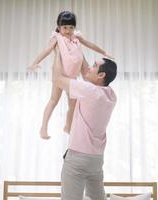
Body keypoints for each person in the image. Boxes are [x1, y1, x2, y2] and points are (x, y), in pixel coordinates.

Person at [27, 11, 113, 139]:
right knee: (53, 100)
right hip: (60, 75)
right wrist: (35, 62)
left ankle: (68, 126)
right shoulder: (57, 38)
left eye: (71, 27)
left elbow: (90, 44)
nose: (68, 31)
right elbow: (47, 50)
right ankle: (43, 127)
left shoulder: (76, 38)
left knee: (73, 104)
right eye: (65, 27)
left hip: (72, 77)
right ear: (59, 26)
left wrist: (104, 52)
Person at [52, 46, 117, 200]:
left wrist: (57, 53)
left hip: (78, 159)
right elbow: (87, 74)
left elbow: (57, 79)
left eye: (94, 66)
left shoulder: (89, 91)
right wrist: (78, 51)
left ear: (101, 75)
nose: (89, 67)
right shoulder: (111, 95)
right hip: (96, 160)